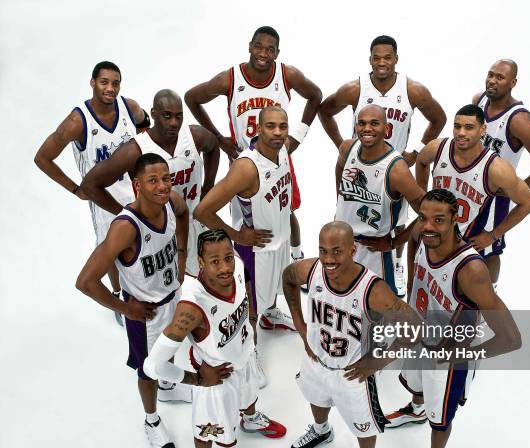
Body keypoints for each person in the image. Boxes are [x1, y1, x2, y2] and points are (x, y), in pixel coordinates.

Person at [382, 189, 521, 448]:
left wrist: (462, 355)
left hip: (446, 356)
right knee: (415, 384)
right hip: (419, 336)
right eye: (424, 218)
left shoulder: (471, 270)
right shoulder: (421, 234)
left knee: (441, 418)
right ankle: (416, 409)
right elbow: (416, 263)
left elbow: (512, 339)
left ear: (456, 219)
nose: (428, 226)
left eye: (439, 220)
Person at [142, 229, 286, 448]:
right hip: (215, 376)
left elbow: (246, 293)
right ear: (200, 262)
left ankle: (251, 419)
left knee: (250, 395)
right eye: (215, 261)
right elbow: (153, 366)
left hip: (243, 358)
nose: (225, 267)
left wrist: (252, 320)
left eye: (227, 258)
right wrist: (196, 379)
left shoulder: (239, 268)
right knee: (206, 430)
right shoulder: (192, 307)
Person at [283, 220, 423, 448]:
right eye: (323, 251)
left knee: (364, 426)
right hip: (316, 359)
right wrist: (299, 323)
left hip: (353, 372)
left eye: (336, 251)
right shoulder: (311, 270)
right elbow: (287, 276)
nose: (329, 259)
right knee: (315, 398)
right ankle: (322, 431)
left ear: (353, 250)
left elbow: (415, 326)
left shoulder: (373, 290)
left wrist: (379, 362)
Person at [76, 153, 190, 448]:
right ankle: (152, 419)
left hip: (171, 297)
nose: (162, 186)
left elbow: (184, 213)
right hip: (146, 313)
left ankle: (168, 383)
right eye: (153, 180)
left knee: (171, 349)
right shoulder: (125, 227)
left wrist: (181, 253)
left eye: (166, 178)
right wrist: (125, 309)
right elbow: (85, 281)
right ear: (136, 185)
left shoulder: (170, 201)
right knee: (146, 370)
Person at [318, 35, 446, 297]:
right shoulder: (355, 89)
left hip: (391, 168)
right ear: (370, 59)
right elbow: (325, 110)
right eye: (376, 58)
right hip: (360, 162)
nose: (381, 63)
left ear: (396, 59)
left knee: (395, 223)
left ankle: (395, 265)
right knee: (356, 219)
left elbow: (438, 119)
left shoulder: (413, 90)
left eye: (387, 57)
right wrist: (342, 146)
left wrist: (416, 152)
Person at [184, 25, 322, 264]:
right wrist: (219, 138)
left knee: (286, 211)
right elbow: (192, 98)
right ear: (249, 47)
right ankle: (245, 265)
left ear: (277, 53)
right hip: (244, 162)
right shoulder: (230, 78)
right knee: (243, 220)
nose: (263, 53)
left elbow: (315, 95)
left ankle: (297, 255)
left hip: (276, 157)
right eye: (258, 46)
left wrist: (298, 136)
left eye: (270, 49)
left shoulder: (287, 75)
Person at [34, 61, 148, 325]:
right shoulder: (77, 121)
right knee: (110, 250)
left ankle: (145, 288)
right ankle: (119, 297)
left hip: (136, 192)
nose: (110, 88)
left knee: (145, 243)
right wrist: (75, 189)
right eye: (104, 82)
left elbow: (145, 123)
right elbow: (42, 158)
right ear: (92, 83)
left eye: (115, 83)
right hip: (103, 199)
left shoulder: (129, 107)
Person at [194, 106, 296, 387]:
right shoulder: (246, 168)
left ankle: (271, 315)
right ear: (258, 129)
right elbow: (203, 211)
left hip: (278, 239)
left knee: (273, 290)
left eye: (282, 126)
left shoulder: (282, 148)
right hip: (256, 251)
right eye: (270, 127)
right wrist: (237, 236)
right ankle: (251, 354)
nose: (277, 132)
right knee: (249, 307)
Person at [81, 89, 220, 277]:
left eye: (179, 117)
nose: (174, 123)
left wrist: (207, 188)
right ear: (153, 114)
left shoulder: (194, 135)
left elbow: (213, 147)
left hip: (194, 221)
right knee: (166, 293)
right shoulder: (135, 150)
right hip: (159, 231)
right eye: (167, 116)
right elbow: (90, 185)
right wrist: (127, 214)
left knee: (211, 283)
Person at [415, 104, 530, 276]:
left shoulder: (496, 168)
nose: (461, 133)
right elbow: (421, 161)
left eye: (469, 127)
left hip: (464, 248)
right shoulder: (438, 147)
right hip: (432, 238)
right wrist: (422, 197)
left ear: (483, 129)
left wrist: (493, 236)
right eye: (457, 126)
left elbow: (528, 203)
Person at [471, 59, 530, 282]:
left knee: (489, 249)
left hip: (493, 197)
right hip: (469, 186)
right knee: (464, 245)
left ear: (513, 83)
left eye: (499, 77)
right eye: (490, 74)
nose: (492, 80)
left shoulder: (518, 119)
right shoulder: (478, 100)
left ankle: (487, 306)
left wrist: (520, 186)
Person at [334, 104, 424, 295]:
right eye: (362, 123)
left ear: (387, 129)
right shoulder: (347, 148)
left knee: (376, 314)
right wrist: (340, 200)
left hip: (372, 251)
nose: (367, 129)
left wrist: (395, 242)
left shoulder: (397, 170)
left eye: (374, 123)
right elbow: (339, 168)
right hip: (340, 242)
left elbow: (429, 213)